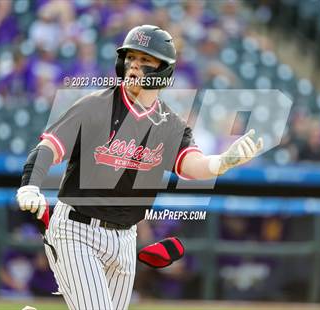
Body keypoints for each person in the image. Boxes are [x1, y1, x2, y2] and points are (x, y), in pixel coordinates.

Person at [16, 25, 263, 310]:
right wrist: (30, 183)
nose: (135, 65)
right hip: (76, 230)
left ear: (163, 71)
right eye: (131, 58)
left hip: (125, 238)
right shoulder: (95, 106)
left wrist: (222, 162)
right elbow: (48, 147)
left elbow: (191, 165)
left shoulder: (170, 124)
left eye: (145, 60)